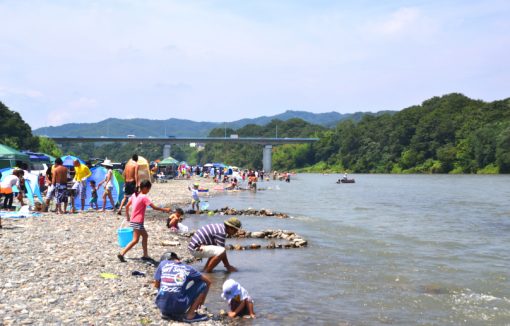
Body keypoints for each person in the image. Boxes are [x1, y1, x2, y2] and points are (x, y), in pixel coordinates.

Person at [117, 179, 171, 262]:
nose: (148, 191)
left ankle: (145, 255)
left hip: (134, 220)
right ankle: (122, 253)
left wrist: (128, 217)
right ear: (145, 188)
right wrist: (165, 209)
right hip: (137, 221)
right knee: (135, 240)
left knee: (145, 236)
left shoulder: (134, 195)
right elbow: (154, 207)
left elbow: (127, 206)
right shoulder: (144, 197)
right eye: (148, 189)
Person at [153, 252, 210, 322]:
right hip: (179, 308)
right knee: (202, 283)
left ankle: (166, 310)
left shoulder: (162, 264)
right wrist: (202, 300)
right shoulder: (188, 268)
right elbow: (208, 282)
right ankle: (190, 315)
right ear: (178, 259)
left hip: (162, 306)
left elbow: (156, 285)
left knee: (163, 285)